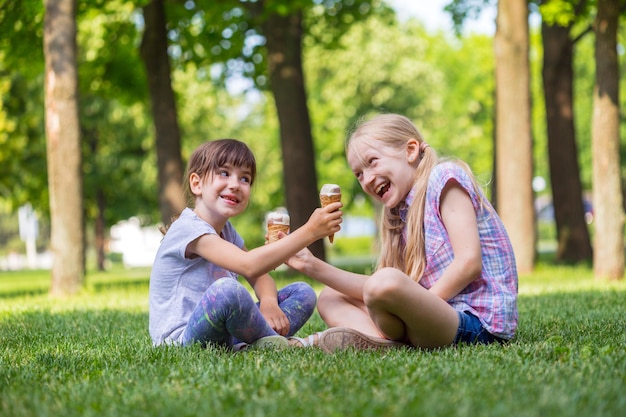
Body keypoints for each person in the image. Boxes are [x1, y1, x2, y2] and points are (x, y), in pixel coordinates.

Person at [287, 114, 518, 352]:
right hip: (434, 319)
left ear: (410, 151)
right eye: (359, 174)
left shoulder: (444, 177)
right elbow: (384, 289)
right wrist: (310, 265)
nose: (366, 179)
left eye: (372, 162)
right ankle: (388, 345)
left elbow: (469, 263)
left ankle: (385, 338)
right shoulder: (399, 214)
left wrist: (414, 307)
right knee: (330, 297)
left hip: (477, 324)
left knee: (384, 282)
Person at [149, 138, 343, 350]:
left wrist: (269, 303)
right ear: (197, 183)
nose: (235, 184)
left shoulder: (227, 230)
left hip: (223, 334)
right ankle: (279, 344)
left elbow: (259, 275)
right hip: (183, 339)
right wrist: (310, 231)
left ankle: (257, 343)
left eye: (245, 178)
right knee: (227, 290)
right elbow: (248, 264)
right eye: (224, 173)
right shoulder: (188, 228)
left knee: (302, 293)